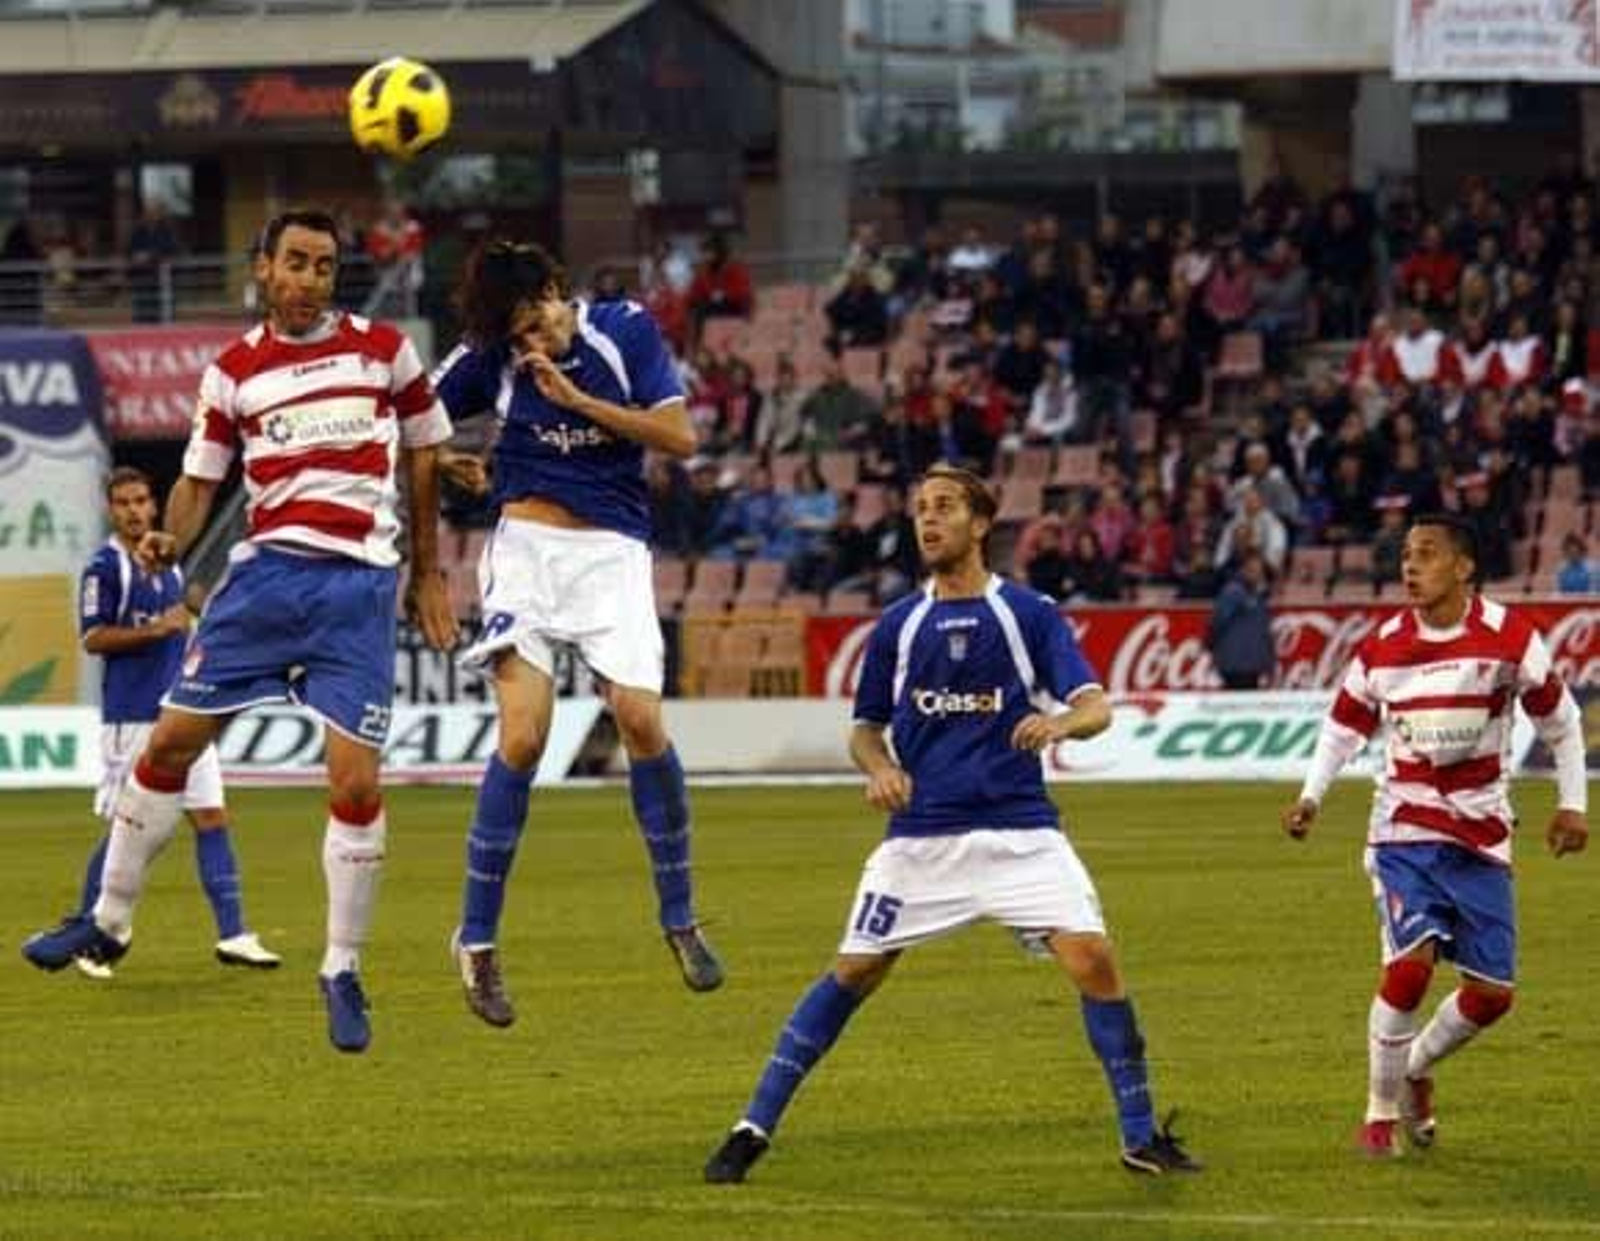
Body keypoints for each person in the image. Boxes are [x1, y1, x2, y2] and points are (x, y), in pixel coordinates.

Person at [21, 209, 458, 1054]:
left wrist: (430, 568)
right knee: (170, 743)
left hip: (356, 589)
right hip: (262, 583)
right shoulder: (231, 373)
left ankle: (340, 967)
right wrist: (170, 541)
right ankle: (107, 921)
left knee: (357, 786)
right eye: (295, 261)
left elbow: (428, 450)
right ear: (263, 267)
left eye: (325, 266)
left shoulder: (385, 349)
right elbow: (197, 482)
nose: (309, 279)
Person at [703, 463, 1201, 1184]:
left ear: (980, 522)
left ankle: (1139, 1135)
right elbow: (864, 729)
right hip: (922, 837)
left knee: (1094, 961)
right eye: (920, 508)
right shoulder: (899, 625)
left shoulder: (1027, 613)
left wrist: (1059, 723)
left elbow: (1097, 707)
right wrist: (878, 767)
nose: (928, 520)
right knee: (856, 968)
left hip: (1020, 830)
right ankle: (752, 1126)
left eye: (944, 507)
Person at [432, 240, 724, 1029]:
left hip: (613, 554)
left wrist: (575, 398)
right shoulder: (491, 354)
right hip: (525, 550)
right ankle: (478, 939)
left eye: (537, 323)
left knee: (639, 719)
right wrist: (445, 461)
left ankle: (680, 915)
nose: (531, 344)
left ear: (561, 294)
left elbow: (680, 438)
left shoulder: (624, 331)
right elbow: (413, 414)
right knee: (524, 737)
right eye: (517, 336)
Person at [1282, 514, 1588, 1158]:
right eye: (1405, 556)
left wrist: (1572, 805)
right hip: (1404, 829)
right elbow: (1341, 728)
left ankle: (1417, 1067)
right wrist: (1311, 796)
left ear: (1464, 567)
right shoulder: (1384, 644)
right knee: (1410, 969)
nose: (1410, 567)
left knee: (1492, 995)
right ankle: (1379, 1112)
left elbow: (1561, 722)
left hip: (1480, 834)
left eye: (1426, 554)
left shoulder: (1508, 637)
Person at [24, 467, 280, 980]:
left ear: (157, 505)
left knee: (211, 817)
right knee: (127, 828)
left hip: (183, 715)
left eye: (142, 500)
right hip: (133, 718)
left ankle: (234, 934)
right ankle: (90, 932)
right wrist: (158, 628)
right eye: (123, 503)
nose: (135, 511)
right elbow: (93, 638)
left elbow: (180, 623)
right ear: (110, 510)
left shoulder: (169, 563)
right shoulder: (106, 566)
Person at [1207, 550, 1274, 689]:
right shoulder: (1234, 591)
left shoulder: (1256, 594)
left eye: (1259, 570)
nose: (1258, 574)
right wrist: (1211, 645)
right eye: (1253, 570)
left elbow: (1263, 630)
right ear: (1244, 569)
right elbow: (1217, 622)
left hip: (1249, 663)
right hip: (1236, 663)